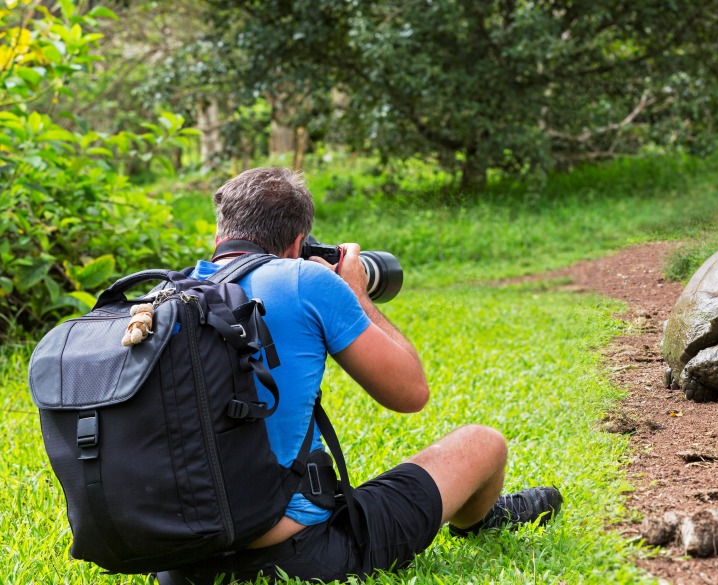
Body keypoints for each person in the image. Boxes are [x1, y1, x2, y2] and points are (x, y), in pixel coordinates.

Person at [155, 167, 562, 584]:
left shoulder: (164, 297)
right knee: (483, 443)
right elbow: (410, 392)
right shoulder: (304, 280)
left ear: (219, 237)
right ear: (299, 243)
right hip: (294, 556)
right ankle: (477, 518)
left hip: (178, 561)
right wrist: (356, 293)